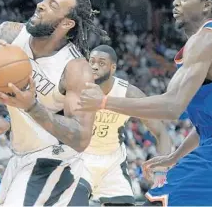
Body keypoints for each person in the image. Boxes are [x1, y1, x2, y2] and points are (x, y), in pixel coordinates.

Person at [77, 0, 212, 206]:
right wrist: (174, 156)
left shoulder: (206, 39)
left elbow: (172, 107)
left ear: (206, 5)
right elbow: (208, 123)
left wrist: (104, 102)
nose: (175, 2)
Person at [0, 0, 109, 206]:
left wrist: (31, 107)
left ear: (67, 24)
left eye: (53, 6)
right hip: (20, 158)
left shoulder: (76, 69)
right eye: (45, 0)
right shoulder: (8, 35)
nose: (41, 5)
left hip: (54, 161)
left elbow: (81, 138)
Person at [69, 45, 172, 206]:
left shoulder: (129, 94)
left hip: (113, 164)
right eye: (92, 62)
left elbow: (161, 132)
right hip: (81, 158)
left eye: (101, 63)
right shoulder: (75, 87)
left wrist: (161, 170)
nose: (95, 66)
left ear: (113, 68)